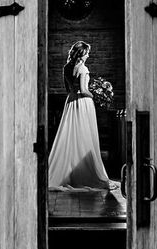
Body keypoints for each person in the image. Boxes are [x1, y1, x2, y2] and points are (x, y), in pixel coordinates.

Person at [48, 40, 118, 191]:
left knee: (72, 137)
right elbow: (84, 90)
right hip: (83, 103)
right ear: (82, 54)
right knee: (85, 137)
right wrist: (98, 95)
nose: (88, 55)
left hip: (71, 102)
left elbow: (68, 88)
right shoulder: (83, 69)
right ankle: (86, 174)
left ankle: (69, 173)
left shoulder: (66, 68)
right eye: (87, 53)